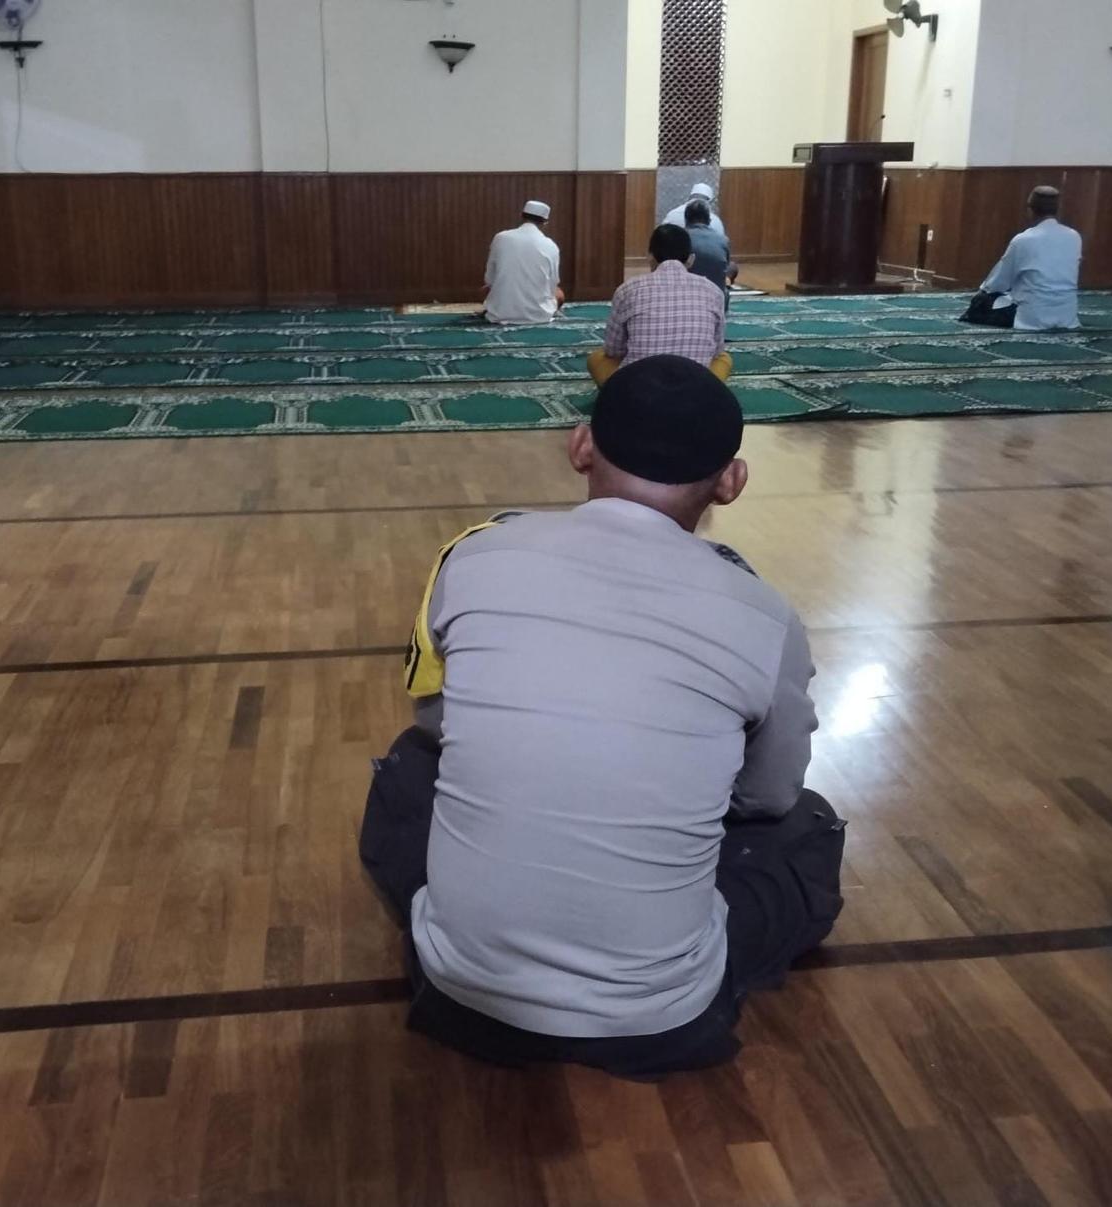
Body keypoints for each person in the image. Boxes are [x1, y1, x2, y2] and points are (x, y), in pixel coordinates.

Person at [360, 355, 845, 1078]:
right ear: (731, 481)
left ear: (581, 445)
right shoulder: (764, 617)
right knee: (807, 828)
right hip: (660, 1019)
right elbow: (771, 795)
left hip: (457, 990)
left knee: (407, 769)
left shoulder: (476, 556)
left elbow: (439, 724)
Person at [587, 224, 731, 387]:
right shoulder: (713, 291)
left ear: (650, 256)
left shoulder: (628, 289)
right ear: (691, 259)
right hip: (694, 389)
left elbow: (613, 350)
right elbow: (717, 349)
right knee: (724, 358)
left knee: (597, 358)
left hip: (638, 391)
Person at [960, 186, 1081, 331]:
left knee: (982, 300)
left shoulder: (1024, 239)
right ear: (1057, 210)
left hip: (1031, 318)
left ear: (1030, 210)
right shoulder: (1074, 237)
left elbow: (998, 283)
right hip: (1067, 316)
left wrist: (982, 291)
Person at [482, 200, 564, 324]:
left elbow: (489, 279)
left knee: (485, 290)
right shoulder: (551, 245)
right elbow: (552, 284)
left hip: (500, 313)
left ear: (522, 216)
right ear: (545, 223)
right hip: (539, 315)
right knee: (559, 293)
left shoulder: (501, 237)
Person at [684, 198, 735, 304]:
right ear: (709, 220)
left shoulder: (680, 238)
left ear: (686, 219)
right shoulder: (723, 239)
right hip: (718, 301)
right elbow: (725, 265)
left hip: (687, 300)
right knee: (732, 267)